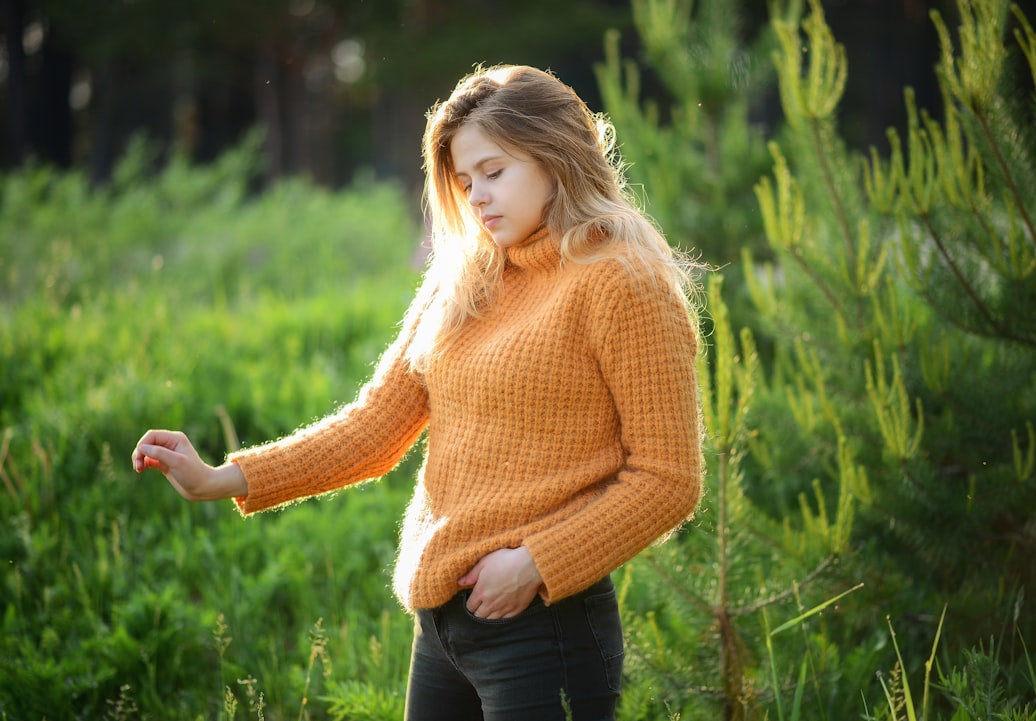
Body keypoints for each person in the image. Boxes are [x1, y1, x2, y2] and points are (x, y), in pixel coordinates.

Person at [133, 64, 704, 721]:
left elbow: (667, 478)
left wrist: (536, 563)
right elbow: (375, 428)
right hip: (440, 631)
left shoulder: (621, 281)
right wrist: (220, 477)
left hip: (546, 629)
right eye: (465, 182)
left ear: (555, 156)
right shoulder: (461, 280)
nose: (478, 197)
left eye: (494, 171)